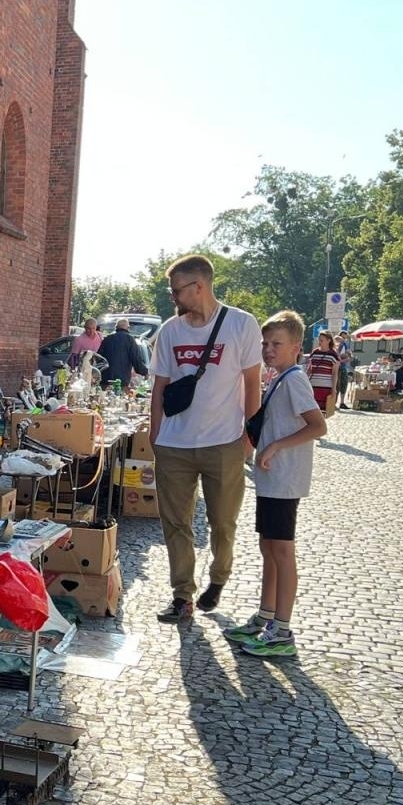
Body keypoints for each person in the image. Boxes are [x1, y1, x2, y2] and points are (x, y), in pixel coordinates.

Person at [150, 254, 263, 622]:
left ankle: (218, 577)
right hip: (175, 445)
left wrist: (249, 436)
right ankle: (182, 594)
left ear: (199, 286)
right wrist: (155, 436)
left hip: (224, 441)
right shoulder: (170, 330)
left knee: (223, 522)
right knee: (176, 523)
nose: (174, 298)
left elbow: (252, 383)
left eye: (177, 290)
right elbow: (159, 387)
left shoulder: (241, 325)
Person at [224, 311, 326, 658]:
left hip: (284, 479)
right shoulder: (280, 377)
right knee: (268, 548)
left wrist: (277, 445)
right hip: (270, 478)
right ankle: (265, 616)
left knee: (282, 552)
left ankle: (282, 630)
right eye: (265, 344)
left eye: (276, 344)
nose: (268, 349)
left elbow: (317, 425)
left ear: (296, 347)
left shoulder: (295, 379)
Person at [98, 317, 148, 389]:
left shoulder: (107, 339)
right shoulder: (130, 339)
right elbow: (136, 359)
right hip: (121, 381)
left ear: (116, 327)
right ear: (128, 327)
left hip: (105, 379)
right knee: (120, 399)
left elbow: (99, 358)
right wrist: (145, 372)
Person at [306, 331, 339, 409]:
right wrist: (305, 383)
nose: (319, 342)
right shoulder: (314, 352)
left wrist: (334, 389)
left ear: (328, 340)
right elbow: (309, 370)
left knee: (322, 411)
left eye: (322, 340)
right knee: (311, 410)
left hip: (326, 388)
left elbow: (334, 373)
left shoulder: (333, 355)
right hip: (312, 386)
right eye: (319, 340)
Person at [336, 335, 353, 407]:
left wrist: (349, 357)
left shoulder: (345, 345)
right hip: (338, 368)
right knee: (337, 386)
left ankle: (342, 402)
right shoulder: (336, 346)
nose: (343, 340)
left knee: (344, 384)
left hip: (343, 368)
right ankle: (335, 403)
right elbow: (337, 357)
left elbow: (350, 354)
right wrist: (344, 360)